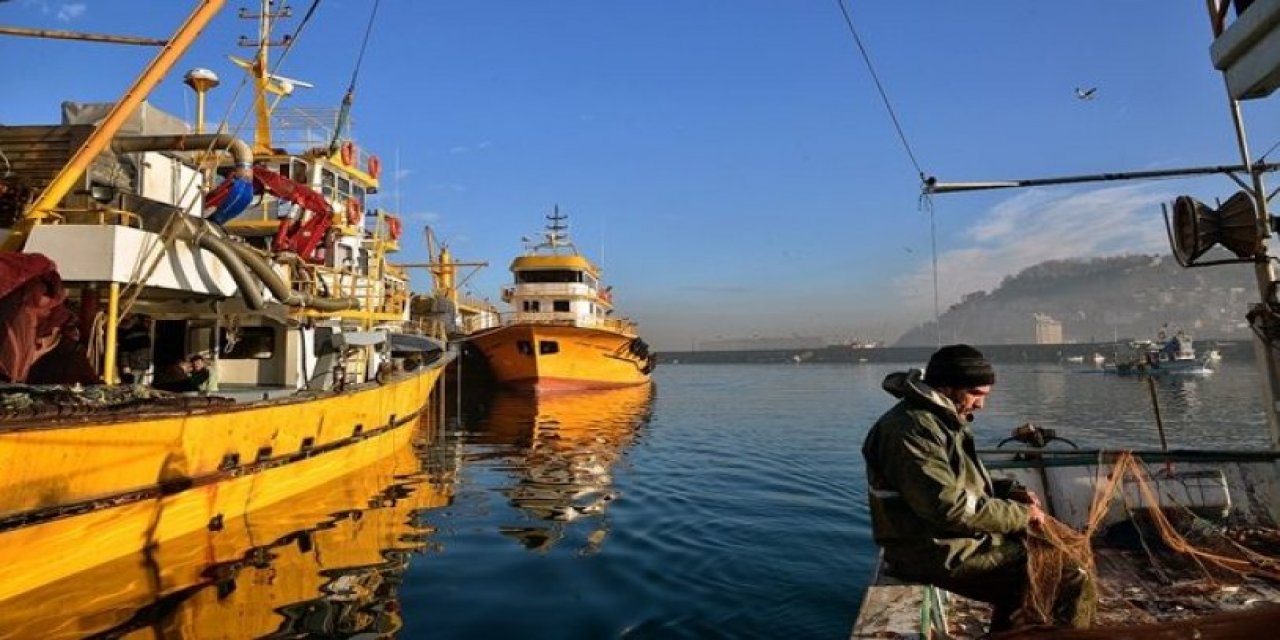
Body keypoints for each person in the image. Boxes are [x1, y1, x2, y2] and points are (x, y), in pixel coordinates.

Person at [861, 344, 1093, 633]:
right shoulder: (911, 430)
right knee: (1068, 574)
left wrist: (1007, 490)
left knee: (1034, 574)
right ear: (947, 387)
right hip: (931, 551)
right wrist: (1022, 515)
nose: (981, 405)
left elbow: (959, 479)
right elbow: (947, 506)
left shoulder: (937, 419)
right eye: (976, 395)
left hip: (948, 541)